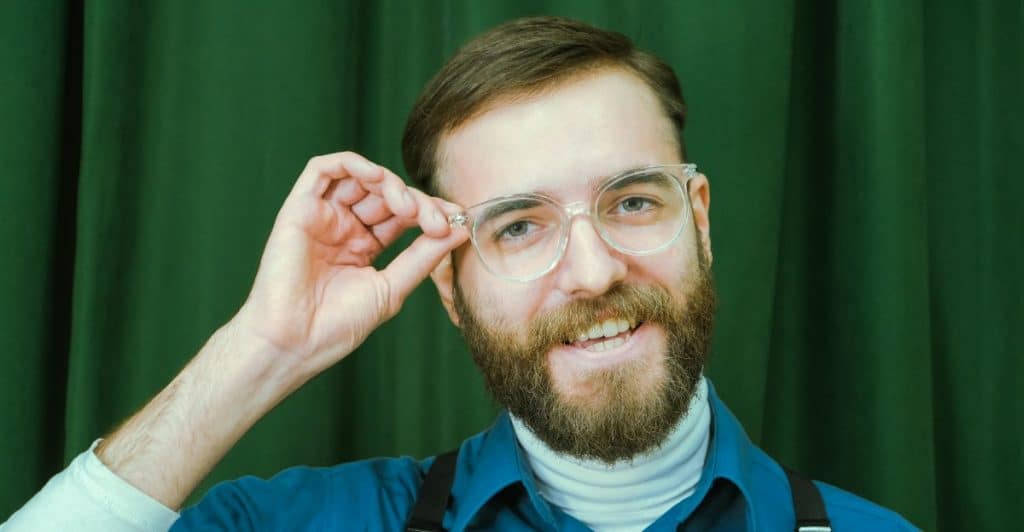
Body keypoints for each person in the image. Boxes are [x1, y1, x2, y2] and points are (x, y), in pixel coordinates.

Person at [2, 16, 916, 531]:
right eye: (519, 226)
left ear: (700, 220)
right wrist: (261, 350)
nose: (594, 271)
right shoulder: (322, 523)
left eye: (633, 202)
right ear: (448, 283)